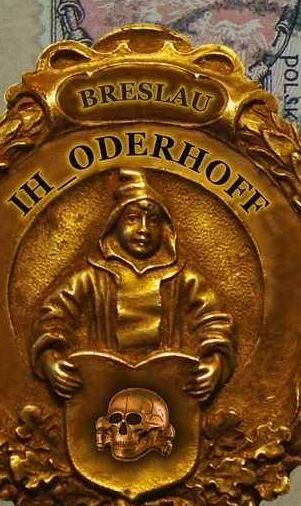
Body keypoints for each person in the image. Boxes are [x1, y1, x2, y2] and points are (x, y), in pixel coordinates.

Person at [30, 169, 235, 402]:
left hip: (170, 394)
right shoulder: (90, 279)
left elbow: (215, 323)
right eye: (132, 218)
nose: (144, 229)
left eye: (154, 221)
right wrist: (50, 360)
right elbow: (52, 319)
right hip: (100, 393)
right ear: (114, 223)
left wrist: (216, 364)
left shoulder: (184, 281)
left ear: (166, 229)